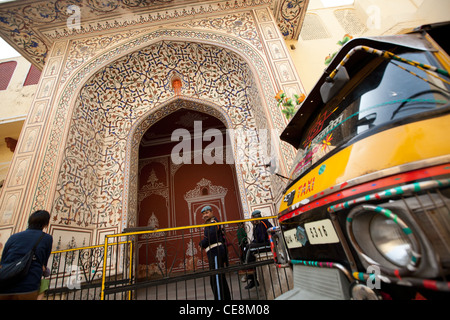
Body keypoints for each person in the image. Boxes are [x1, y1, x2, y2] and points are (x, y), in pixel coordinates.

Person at [0, 210, 53, 300]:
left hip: (5, 285)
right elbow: (43, 263)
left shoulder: (14, 237)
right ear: (45, 224)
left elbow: (3, 260)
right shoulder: (46, 238)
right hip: (28, 286)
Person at [198, 205, 231, 300]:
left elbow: (211, 236)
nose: (205, 215)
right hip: (213, 252)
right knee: (218, 277)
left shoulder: (213, 222)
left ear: (212, 212)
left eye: (207, 213)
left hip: (215, 251)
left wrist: (202, 244)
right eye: (203, 214)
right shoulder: (209, 223)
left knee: (216, 278)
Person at [244, 210, 273, 289]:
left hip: (267, 244)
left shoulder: (262, 223)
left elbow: (262, 238)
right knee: (247, 248)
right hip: (262, 243)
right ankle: (251, 275)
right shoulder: (257, 225)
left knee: (249, 249)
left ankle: (250, 275)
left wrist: (254, 243)